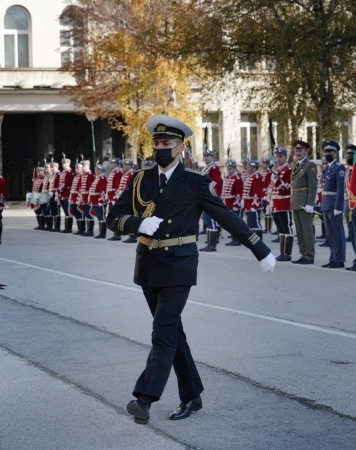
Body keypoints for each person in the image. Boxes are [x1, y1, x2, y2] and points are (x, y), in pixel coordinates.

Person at [107, 115, 276, 426]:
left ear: (180, 147)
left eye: (167, 144)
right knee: (173, 333)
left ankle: (144, 398)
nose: (160, 148)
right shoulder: (140, 180)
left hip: (179, 265)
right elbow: (113, 216)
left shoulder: (195, 182)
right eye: (157, 143)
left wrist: (259, 248)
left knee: (162, 331)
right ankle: (192, 395)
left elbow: (225, 216)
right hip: (148, 264)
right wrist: (136, 224)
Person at [290, 140, 317, 264]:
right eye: (296, 150)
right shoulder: (295, 164)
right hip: (296, 200)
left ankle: (310, 255)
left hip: (305, 202)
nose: (298, 152)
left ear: (306, 151)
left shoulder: (309, 165)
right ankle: (303, 253)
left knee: (307, 230)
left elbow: (313, 185)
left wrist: (310, 203)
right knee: (299, 231)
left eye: (300, 150)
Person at [320, 140, 346, 268]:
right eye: (326, 152)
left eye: (330, 152)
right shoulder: (328, 168)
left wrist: (339, 206)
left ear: (336, 154)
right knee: (329, 233)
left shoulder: (339, 168)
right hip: (326, 203)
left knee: (337, 232)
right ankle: (333, 257)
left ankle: (339, 258)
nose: (328, 154)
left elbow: (341, 188)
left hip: (334, 203)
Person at [269, 147, 293, 260]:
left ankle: (287, 253)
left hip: (284, 202)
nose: (278, 159)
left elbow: (286, 187)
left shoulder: (288, 170)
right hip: (276, 203)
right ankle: (282, 252)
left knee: (286, 227)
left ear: (286, 157)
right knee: (280, 228)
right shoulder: (278, 170)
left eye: (281, 156)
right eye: (277, 156)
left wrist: (276, 180)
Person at [199, 149, 223, 252]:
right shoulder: (206, 168)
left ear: (212, 157)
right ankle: (209, 243)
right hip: (204, 197)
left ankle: (212, 245)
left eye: (208, 156)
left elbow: (215, 182)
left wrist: (208, 193)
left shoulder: (214, 168)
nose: (206, 158)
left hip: (210, 197)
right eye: (205, 156)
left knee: (211, 221)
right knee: (207, 221)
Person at [223, 159, 244, 246]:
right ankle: (233, 238)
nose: (228, 170)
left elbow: (238, 193)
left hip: (234, 204)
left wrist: (236, 204)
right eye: (227, 169)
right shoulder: (228, 177)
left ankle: (238, 240)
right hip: (228, 204)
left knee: (236, 224)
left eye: (230, 169)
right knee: (231, 224)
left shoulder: (238, 178)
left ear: (235, 168)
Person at [89, 163, 107, 238]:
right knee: (99, 217)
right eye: (97, 169)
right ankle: (101, 232)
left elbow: (102, 190)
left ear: (102, 170)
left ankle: (102, 233)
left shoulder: (102, 178)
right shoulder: (98, 178)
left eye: (98, 170)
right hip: (95, 201)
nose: (97, 171)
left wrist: (100, 200)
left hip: (99, 201)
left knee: (102, 217)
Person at [57, 157, 75, 233]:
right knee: (65, 211)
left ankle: (69, 228)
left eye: (65, 163)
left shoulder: (70, 172)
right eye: (63, 163)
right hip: (62, 193)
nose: (63, 165)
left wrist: (61, 188)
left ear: (69, 163)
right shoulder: (63, 172)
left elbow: (68, 182)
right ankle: (66, 227)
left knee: (68, 211)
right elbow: (59, 182)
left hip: (67, 193)